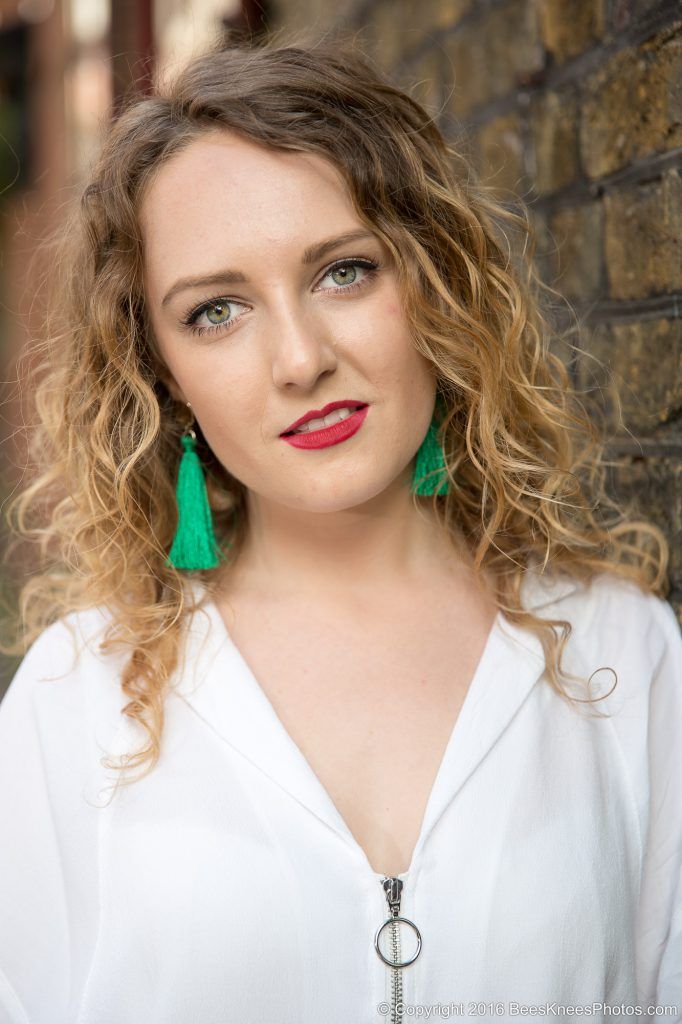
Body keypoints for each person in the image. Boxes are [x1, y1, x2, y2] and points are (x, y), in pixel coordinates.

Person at [0, 35, 680, 1024]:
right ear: (162, 377)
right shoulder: (74, 699)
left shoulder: (629, 657)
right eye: (217, 311)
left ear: (435, 287)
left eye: (343, 272)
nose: (299, 358)